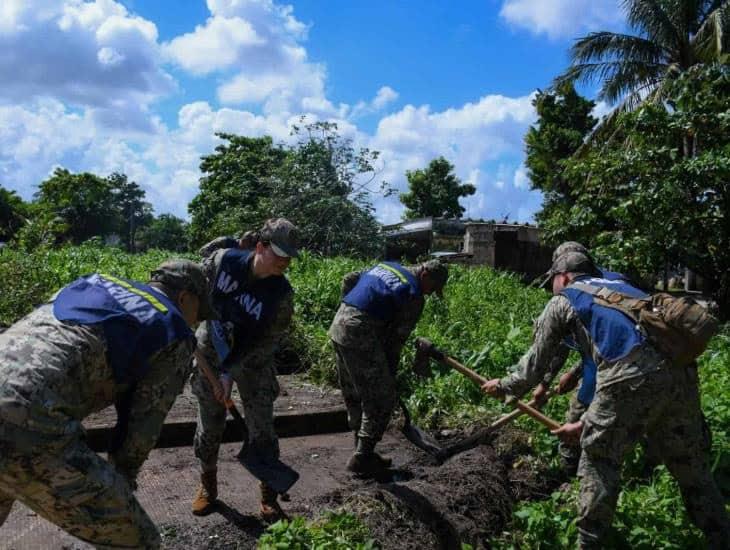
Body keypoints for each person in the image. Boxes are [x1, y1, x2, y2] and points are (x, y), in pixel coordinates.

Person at [482, 251, 729, 548]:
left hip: (632, 376)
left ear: (563, 277)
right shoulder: (622, 287)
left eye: (552, 281)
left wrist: (505, 385)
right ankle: (721, 536)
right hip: (681, 373)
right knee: (691, 466)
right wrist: (589, 420)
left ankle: (590, 544)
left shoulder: (565, 299)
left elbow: (534, 365)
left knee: (600, 461)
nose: (552, 287)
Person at [0, 260, 215, 549]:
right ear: (184, 298)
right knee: (137, 541)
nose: (195, 323)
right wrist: (121, 479)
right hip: (25, 423)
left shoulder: (94, 281)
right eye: (198, 314)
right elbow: (141, 428)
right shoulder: (173, 328)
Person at [191, 218, 298, 521]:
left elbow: (267, 343)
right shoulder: (223, 261)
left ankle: (269, 495)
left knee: (261, 425)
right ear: (261, 246)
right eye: (279, 254)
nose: (284, 262)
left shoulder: (281, 296)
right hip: (211, 347)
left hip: (252, 358)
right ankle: (208, 485)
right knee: (210, 421)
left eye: (289, 257)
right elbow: (194, 290)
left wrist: (231, 372)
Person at [328, 260, 448, 475]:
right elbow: (395, 342)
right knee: (381, 398)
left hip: (339, 326)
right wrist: (389, 375)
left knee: (355, 393)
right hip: (360, 335)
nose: (430, 293)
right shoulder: (413, 295)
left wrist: (348, 309)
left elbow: (349, 278)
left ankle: (360, 450)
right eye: (432, 288)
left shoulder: (388, 266)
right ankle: (363, 457)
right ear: (425, 275)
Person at [532, 241, 635, 476]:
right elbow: (603, 341)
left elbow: (572, 345)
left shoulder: (576, 293)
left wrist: (537, 383)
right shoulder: (616, 281)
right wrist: (562, 376)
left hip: (612, 370)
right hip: (653, 365)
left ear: (563, 274)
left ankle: (569, 476)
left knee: (577, 421)